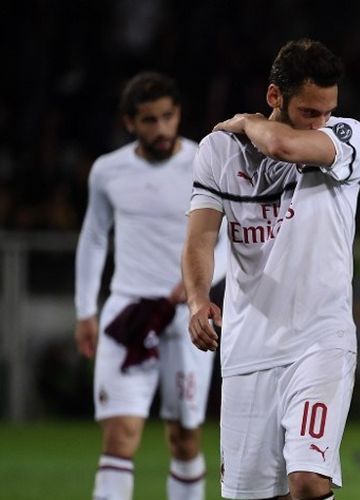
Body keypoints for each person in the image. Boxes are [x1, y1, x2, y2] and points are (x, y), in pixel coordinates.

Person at [181, 38, 360, 500]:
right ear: (275, 97)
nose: (321, 121)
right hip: (248, 348)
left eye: (328, 110)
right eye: (310, 111)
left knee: (307, 480)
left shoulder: (347, 136)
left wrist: (245, 121)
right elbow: (201, 236)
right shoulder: (218, 152)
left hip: (320, 340)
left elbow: (283, 145)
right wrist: (198, 299)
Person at [74, 72, 227, 500]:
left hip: (187, 318)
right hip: (126, 311)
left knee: (184, 439)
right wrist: (86, 309)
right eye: (149, 120)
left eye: (167, 116)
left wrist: (197, 284)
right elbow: (93, 238)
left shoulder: (205, 163)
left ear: (178, 114)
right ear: (129, 123)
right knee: (120, 436)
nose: (160, 129)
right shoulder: (108, 171)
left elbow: (229, 242)